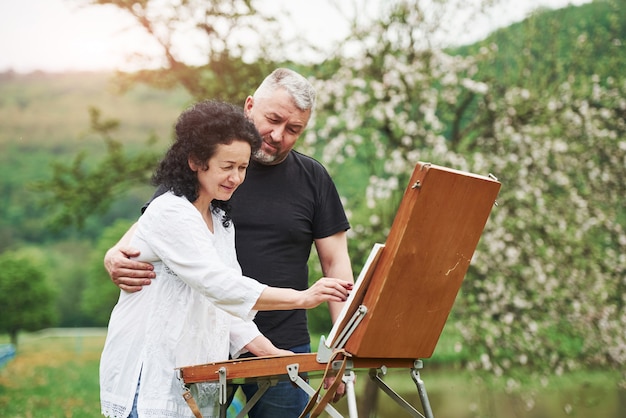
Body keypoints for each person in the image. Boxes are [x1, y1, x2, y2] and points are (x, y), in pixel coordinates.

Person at [104, 68, 355, 417]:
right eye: (273, 119)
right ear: (250, 106)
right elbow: (212, 279)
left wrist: (314, 349)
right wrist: (113, 254)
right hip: (171, 360)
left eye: (293, 129)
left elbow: (225, 302)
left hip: (252, 335)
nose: (237, 177)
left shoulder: (222, 217)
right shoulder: (182, 199)